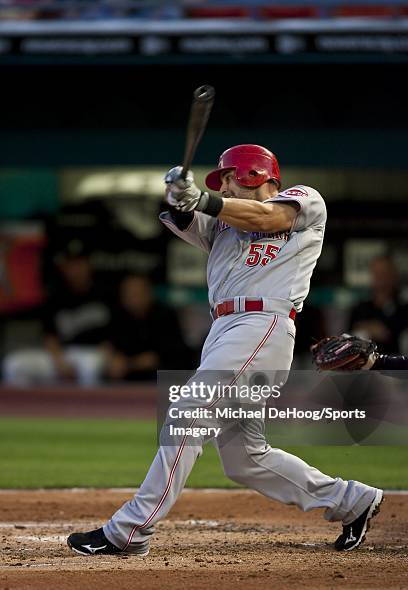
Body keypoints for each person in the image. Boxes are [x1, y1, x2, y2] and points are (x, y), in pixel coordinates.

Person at [67, 144, 383, 557]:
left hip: (263, 324)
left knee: (187, 411)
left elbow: (269, 216)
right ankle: (351, 501)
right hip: (225, 330)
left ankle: (129, 530)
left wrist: (205, 198)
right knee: (244, 457)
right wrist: (178, 193)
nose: (226, 187)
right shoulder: (222, 225)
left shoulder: (305, 201)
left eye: (230, 178)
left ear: (253, 174)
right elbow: (185, 216)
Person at [2, 240, 110, 386]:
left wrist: (108, 352)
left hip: (92, 353)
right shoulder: (55, 296)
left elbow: (113, 335)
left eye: (79, 264)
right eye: (70, 265)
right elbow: (49, 336)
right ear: (63, 268)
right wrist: (59, 361)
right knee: (14, 364)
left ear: (88, 265)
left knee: (91, 365)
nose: (75, 270)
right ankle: (31, 408)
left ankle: (90, 408)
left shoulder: (105, 294)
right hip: (60, 355)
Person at [104, 273, 191, 381]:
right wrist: (110, 357)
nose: (132, 298)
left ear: (148, 293)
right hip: (125, 382)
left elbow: (159, 358)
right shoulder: (118, 316)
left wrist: (129, 364)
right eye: (128, 294)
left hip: (161, 381)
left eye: (137, 293)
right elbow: (109, 346)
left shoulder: (165, 316)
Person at [348, 255, 408, 355]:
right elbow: (349, 334)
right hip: (363, 366)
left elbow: (395, 333)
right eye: (376, 273)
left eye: (384, 273)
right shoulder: (360, 308)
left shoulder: (403, 308)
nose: (380, 277)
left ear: (393, 276)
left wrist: (382, 331)